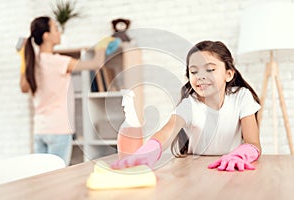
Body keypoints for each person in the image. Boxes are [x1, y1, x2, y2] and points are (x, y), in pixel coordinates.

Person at [112, 40, 261, 172]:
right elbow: (166, 131)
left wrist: (240, 155)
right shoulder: (189, 104)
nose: (201, 76)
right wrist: (149, 151)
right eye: (194, 71)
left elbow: (253, 143)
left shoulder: (241, 97)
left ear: (228, 74)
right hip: (196, 170)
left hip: (232, 170)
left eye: (210, 69)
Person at [21, 16, 109, 166]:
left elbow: (23, 88)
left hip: (40, 130)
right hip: (59, 129)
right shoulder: (60, 62)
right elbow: (95, 63)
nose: (59, 32)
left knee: (40, 175)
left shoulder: (31, 63)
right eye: (56, 29)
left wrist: (23, 60)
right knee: (58, 174)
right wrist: (102, 45)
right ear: (46, 36)